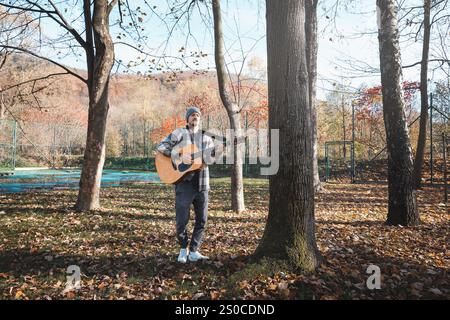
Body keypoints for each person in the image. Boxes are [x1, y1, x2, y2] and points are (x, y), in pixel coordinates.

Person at [157, 106, 222, 263]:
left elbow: (210, 160)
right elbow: (161, 147)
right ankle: (182, 249)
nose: (195, 117)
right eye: (192, 115)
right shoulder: (179, 133)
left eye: (197, 115)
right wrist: (179, 154)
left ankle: (193, 251)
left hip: (202, 183)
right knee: (182, 219)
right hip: (183, 184)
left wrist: (216, 153)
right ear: (187, 118)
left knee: (202, 219)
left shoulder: (207, 138)